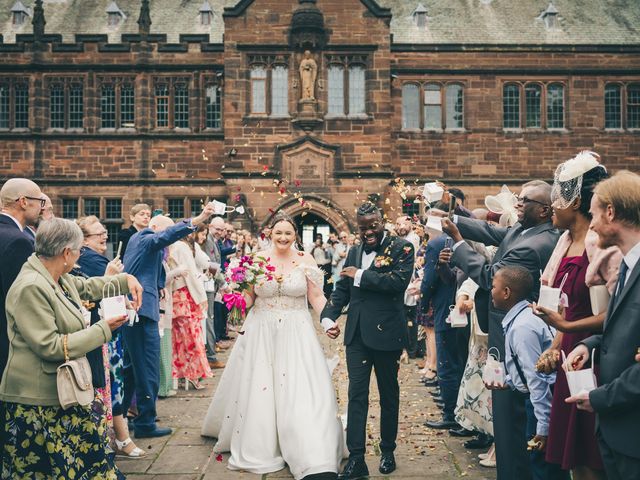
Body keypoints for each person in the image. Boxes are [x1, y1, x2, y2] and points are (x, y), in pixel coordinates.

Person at [202, 213, 343, 479]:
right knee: (260, 388)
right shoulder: (256, 260)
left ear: (295, 236)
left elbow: (316, 296)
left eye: (288, 233)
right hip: (261, 331)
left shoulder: (305, 260)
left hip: (297, 330)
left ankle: (312, 452)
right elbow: (250, 297)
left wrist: (328, 322)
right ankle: (262, 443)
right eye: (278, 232)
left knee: (300, 389)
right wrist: (235, 299)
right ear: (269, 233)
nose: (283, 238)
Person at [0, 218, 143, 478]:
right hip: (39, 403)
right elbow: (51, 346)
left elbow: (87, 286)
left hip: (63, 396)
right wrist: (104, 329)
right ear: (66, 253)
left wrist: (125, 279)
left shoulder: (57, 277)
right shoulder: (31, 286)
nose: (79, 257)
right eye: (79, 251)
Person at [441, 180, 560, 480]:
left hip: (516, 337)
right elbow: (495, 232)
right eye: (518, 198)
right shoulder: (524, 230)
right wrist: (453, 218)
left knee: (512, 421)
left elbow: (490, 275)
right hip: (502, 330)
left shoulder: (537, 244)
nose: (517, 203)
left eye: (525, 200)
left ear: (545, 210)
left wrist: (457, 243)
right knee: (503, 415)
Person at [533, 153, 614, 479]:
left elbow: (614, 313)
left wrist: (568, 327)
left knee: (592, 455)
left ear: (577, 200)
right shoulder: (564, 242)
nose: (553, 204)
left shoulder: (600, 244)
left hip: (594, 356)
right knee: (574, 457)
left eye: (560, 197)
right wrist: (555, 345)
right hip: (570, 353)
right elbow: (563, 308)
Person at [321, 202, 415, 478]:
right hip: (357, 335)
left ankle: (387, 451)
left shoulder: (402, 248)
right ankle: (357, 458)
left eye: (373, 225)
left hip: (387, 333)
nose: (368, 232)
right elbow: (342, 290)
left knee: (388, 394)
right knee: (356, 395)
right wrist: (328, 317)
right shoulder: (353, 250)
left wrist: (361, 274)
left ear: (382, 221)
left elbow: (397, 283)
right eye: (363, 228)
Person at [564, 170, 640, 480]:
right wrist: (588, 344)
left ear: (611, 212)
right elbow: (620, 327)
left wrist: (599, 399)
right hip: (614, 431)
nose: (591, 224)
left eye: (594, 214)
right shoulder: (626, 264)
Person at [121, 203, 216, 438]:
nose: (168, 240)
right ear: (155, 228)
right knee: (148, 369)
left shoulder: (142, 243)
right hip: (142, 314)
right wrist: (198, 219)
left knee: (134, 369)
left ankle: (127, 416)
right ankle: (145, 423)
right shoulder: (145, 237)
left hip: (140, 312)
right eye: (165, 231)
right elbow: (165, 235)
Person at [76, 215, 147, 458]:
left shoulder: (95, 257)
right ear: (83, 240)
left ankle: (116, 437)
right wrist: (110, 274)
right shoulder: (89, 259)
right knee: (111, 387)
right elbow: (97, 292)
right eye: (98, 234)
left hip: (109, 331)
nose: (105, 236)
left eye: (105, 231)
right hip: (99, 331)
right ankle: (120, 439)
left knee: (113, 385)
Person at [488, 266, 568, 480]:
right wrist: (509, 380)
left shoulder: (522, 327)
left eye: (493, 286)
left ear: (506, 292)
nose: (490, 291)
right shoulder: (522, 317)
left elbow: (538, 381)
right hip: (534, 400)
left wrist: (543, 427)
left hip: (539, 406)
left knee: (542, 467)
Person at [0, 178, 44, 379]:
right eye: (40, 201)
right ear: (23, 201)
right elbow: (22, 298)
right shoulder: (18, 241)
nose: (42, 208)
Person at [169, 232, 213, 389]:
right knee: (192, 338)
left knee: (177, 340)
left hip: (174, 296)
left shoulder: (169, 246)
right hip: (186, 296)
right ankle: (194, 375)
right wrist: (201, 296)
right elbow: (192, 274)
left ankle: (179, 374)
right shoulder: (182, 246)